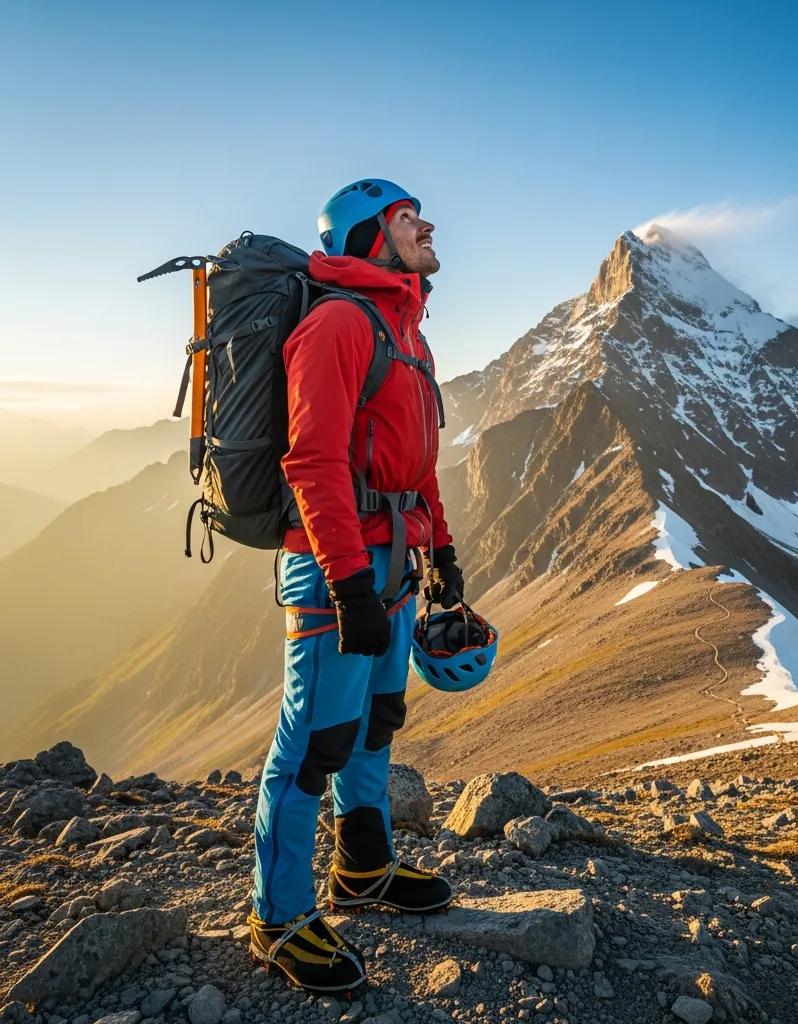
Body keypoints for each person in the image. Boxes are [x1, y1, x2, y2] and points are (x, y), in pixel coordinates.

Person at [247, 179, 465, 993]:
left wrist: (440, 550)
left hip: (394, 568)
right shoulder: (338, 323)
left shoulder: (408, 335)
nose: (429, 225)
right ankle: (276, 918)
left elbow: (419, 463)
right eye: (411, 218)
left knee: (376, 722)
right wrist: (347, 585)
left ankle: (362, 872)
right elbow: (312, 462)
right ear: (372, 234)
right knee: (313, 746)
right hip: (339, 568)